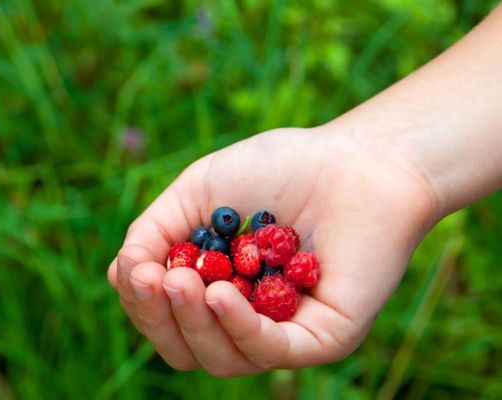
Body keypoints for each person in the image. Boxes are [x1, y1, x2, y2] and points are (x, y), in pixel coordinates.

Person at [106, 5, 502, 377]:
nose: (234, 230)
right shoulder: (234, 251)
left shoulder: (254, 255)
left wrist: (390, 167)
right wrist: (389, 163)